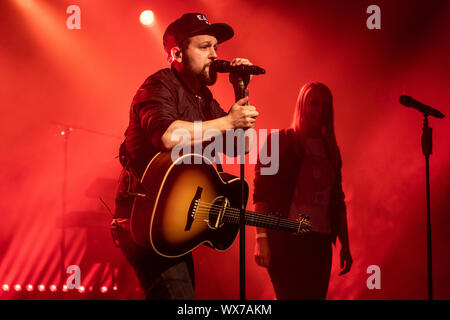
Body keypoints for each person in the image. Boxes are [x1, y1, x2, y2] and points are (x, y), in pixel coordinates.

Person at [112, 13, 259, 300]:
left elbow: (240, 148)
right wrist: (229, 121)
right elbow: (167, 136)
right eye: (205, 47)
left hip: (176, 217)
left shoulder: (203, 98)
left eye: (216, 47)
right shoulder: (157, 87)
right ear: (177, 53)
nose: (214, 55)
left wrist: (241, 90)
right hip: (145, 216)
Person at [253, 82, 352, 299]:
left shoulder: (331, 150)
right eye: (314, 103)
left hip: (320, 242)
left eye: (326, 105)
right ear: (302, 106)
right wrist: (261, 239)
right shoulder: (279, 141)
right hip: (288, 240)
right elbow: (261, 195)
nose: (320, 110)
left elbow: (337, 199)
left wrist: (345, 243)